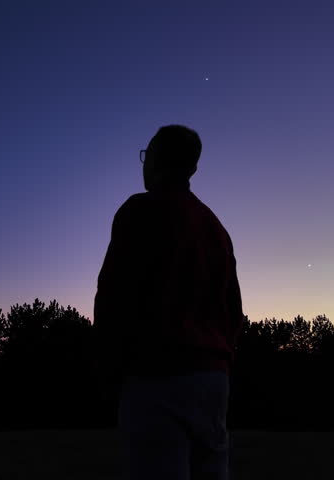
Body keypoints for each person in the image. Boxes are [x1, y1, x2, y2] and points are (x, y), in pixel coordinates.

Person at [93, 125, 245, 480]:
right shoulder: (215, 228)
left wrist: (106, 366)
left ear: (158, 159)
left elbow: (113, 294)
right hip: (213, 380)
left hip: (156, 376)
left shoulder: (139, 211)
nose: (142, 165)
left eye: (146, 155)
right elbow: (234, 309)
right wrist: (220, 360)